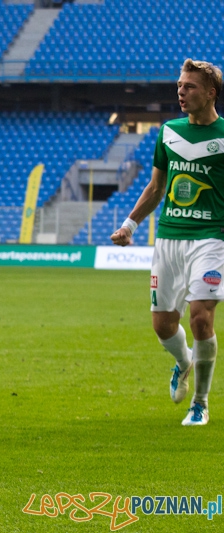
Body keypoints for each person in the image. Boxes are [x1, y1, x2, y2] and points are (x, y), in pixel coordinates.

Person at [111, 59, 224, 426]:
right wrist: (130, 224)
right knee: (162, 325)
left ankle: (200, 403)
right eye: (179, 85)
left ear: (210, 93)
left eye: (189, 86)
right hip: (169, 238)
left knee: (201, 319)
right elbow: (157, 187)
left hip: (211, 238)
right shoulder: (168, 132)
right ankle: (184, 362)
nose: (181, 91)